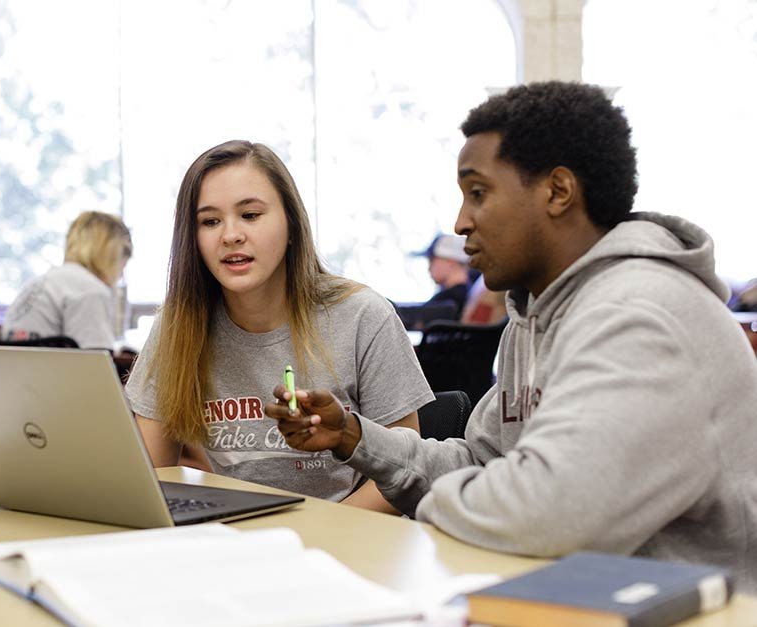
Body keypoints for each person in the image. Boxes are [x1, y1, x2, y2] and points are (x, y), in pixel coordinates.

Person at [265, 82, 757, 590]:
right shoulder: (534, 315)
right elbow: (481, 462)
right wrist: (352, 435)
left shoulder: (640, 313)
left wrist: (419, 506)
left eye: (478, 193)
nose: (460, 222)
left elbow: (550, 513)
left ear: (558, 191)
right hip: (573, 598)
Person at [125, 140, 432, 513]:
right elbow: (148, 478)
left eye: (250, 215)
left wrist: (315, 534)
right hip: (235, 542)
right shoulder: (178, 326)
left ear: (291, 225)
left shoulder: (363, 316)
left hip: (344, 539)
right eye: (210, 221)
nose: (230, 235)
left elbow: (401, 474)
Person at [2, 210, 132, 349]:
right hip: (51, 369)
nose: (120, 274)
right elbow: (96, 361)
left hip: (12, 368)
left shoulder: (38, 283)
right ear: (112, 253)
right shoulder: (91, 290)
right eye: (123, 263)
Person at [413, 233, 471, 315]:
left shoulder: (449, 300)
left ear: (450, 263)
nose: (429, 268)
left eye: (432, 261)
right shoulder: (467, 295)